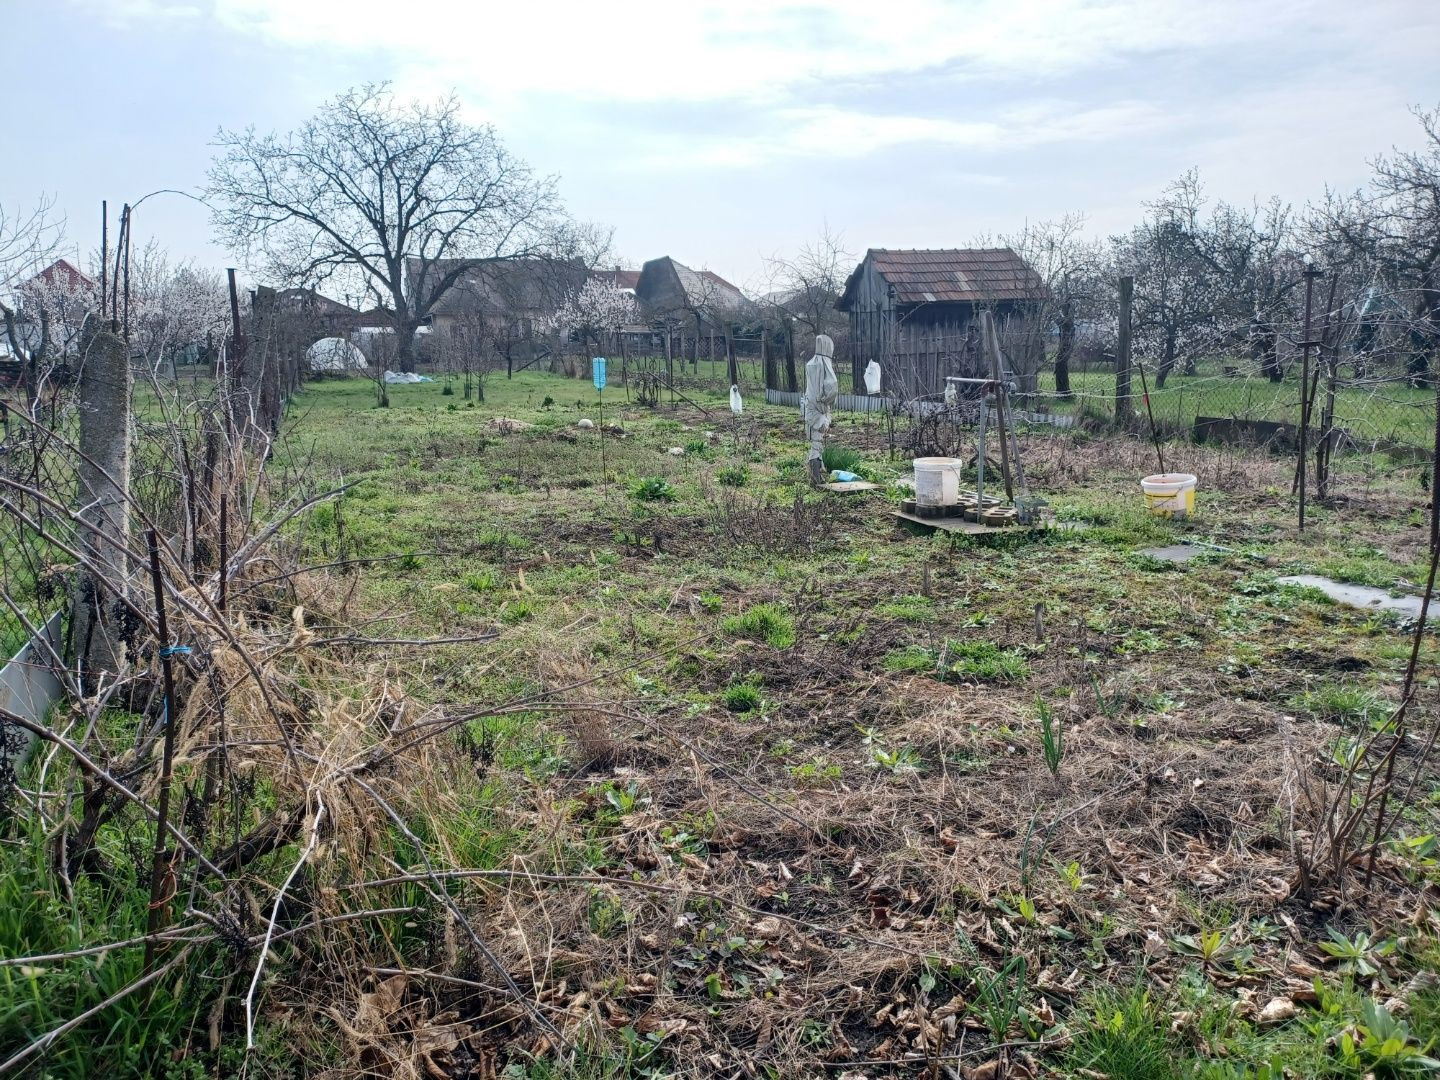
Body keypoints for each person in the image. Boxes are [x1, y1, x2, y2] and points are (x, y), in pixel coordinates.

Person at [802, 334, 839, 486]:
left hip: (809, 408)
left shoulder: (811, 364)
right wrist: (826, 400)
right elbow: (832, 387)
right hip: (818, 410)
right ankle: (815, 478)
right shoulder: (823, 364)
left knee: (816, 442)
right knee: (817, 444)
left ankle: (816, 476)